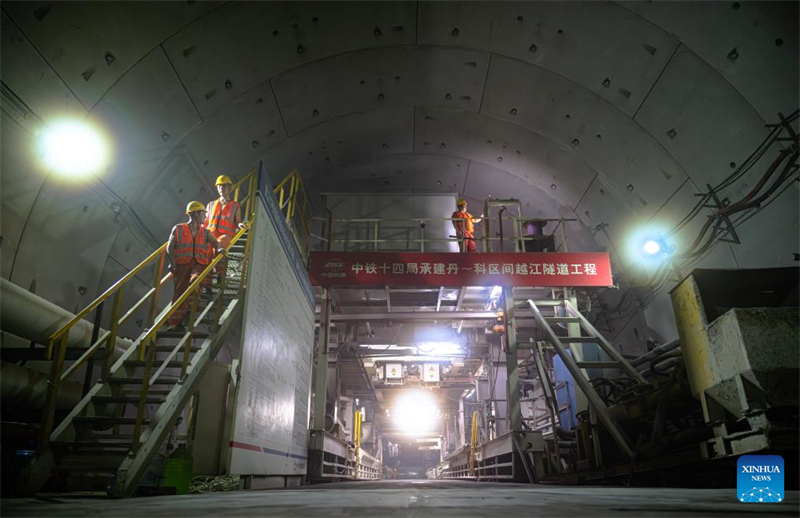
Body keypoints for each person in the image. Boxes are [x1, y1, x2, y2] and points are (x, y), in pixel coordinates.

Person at [166, 201, 226, 332]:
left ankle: (189, 312)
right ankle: (174, 323)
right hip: (182, 265)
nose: (205, 217)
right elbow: (169, 247)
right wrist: (171, 262)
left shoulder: (206, 232)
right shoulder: (178, 229)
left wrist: (219, 249)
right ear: (195, 214)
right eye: (203, 214)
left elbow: (215, 243)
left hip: (200, 265)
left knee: (195, 281)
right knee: (179, 292)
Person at [205, 174, 247, 278]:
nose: (221, 188)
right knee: (205, 250)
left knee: (219, 245)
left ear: (229, 188)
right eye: (219, 186)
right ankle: (206, 279)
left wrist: (240, 224)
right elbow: (205, 222)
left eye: (224, 186)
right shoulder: (210, 205)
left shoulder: (235, 205)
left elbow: (237, 221)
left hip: (226, 235)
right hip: (211, 234)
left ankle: (220, 274)